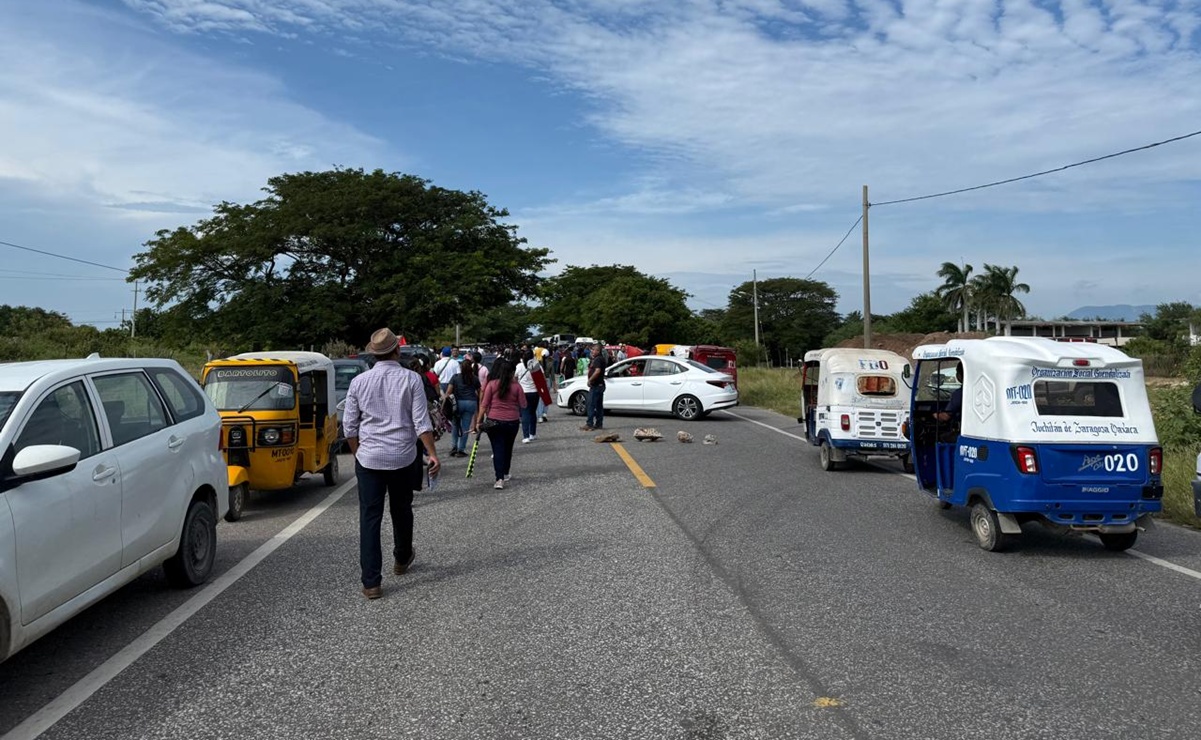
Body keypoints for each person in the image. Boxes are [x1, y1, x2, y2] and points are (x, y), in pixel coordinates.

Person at [343, 328, 440, 600]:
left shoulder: (359, 382)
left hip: (369, 458)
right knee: (402, 509)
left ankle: (371, 582)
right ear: (397, 350)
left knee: (369, 518)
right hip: (403, 456)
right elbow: (422, 422)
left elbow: (349, 427)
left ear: (373, 354)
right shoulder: (411, 379)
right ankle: (401, 557)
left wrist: (358, 454)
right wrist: (432, 453)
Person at [471, 358, 526, 489]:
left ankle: (499, 478)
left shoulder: (492, 384)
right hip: (512, 421)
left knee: (498, 449)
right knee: (508, 448)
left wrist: (478, 422)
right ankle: (506, 472)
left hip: (494, 421)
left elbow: (484, 405)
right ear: (512, 373)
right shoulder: (516, 386)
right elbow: (523, 404)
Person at [445, 355, 480, 457]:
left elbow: (448, 392)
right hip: (470, 403)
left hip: (458, 403)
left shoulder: (455, 377)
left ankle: (454, 447)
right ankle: (461, 449)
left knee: (455, 425)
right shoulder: (474, 378)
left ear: (461, 367)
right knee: (465, 427)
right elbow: (480, 391)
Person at [581, 341, 608, 431]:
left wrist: (590, 379)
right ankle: (599, 423)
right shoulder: (600, 359)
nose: (592, 351)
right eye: (592, 349)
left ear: (598, 351)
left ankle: (590, 424)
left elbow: (597, 371)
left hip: (596, 385)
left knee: (591, 405)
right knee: (599, 405)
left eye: (594, 350)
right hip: (600, 385)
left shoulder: (597, 359)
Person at [515, 350, 540, 443]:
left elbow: (515, 378)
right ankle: (532, 434)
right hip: (535, 392)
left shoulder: (519, 366)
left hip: (523, 392)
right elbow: (542, 379)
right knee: (533, 412)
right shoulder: (537, 366)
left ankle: (526, 436)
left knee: (525, 412)